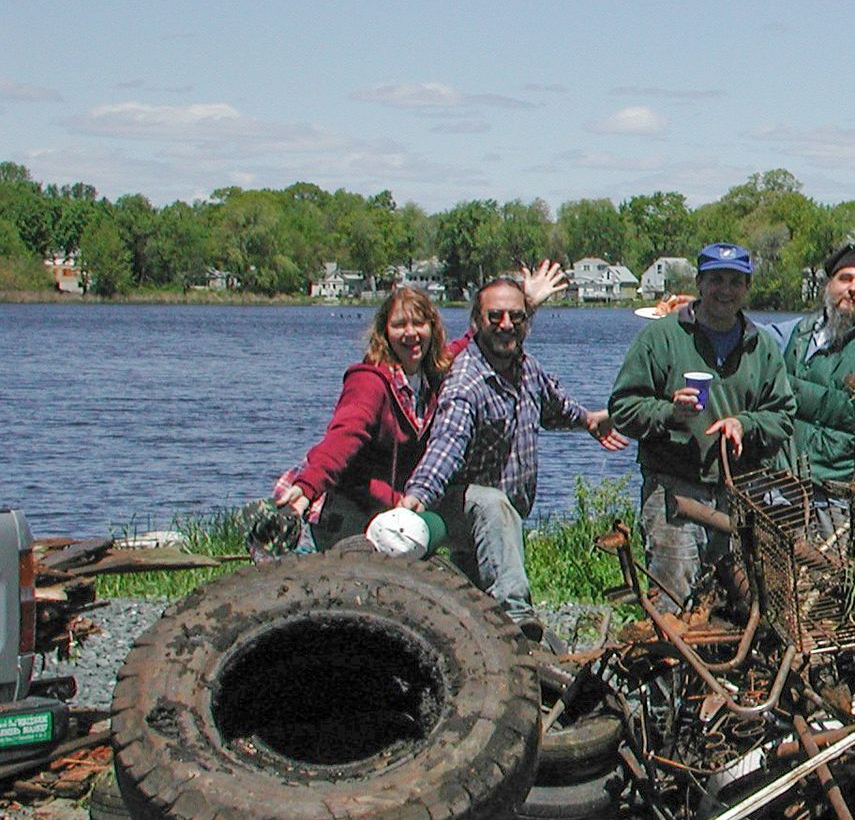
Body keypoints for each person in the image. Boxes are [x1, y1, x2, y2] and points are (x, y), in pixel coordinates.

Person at [402, 277, 625, 637]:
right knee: (492, 504)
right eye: (495, 316)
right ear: (477, 322)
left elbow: (555, 407)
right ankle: (517, 619)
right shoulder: (466, 384)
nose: (506, 325)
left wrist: (588, 421)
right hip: (458, 510)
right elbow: (447, 444)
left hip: (498, 530)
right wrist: (419, 495)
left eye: (516, 317)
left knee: (472, 619)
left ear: (527, 321)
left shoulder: (527, 369)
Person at [608, 243, 796, 612]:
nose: (724, 290)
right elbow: (623, 409)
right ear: (699, 282)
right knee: (673, 603)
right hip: (675, 492)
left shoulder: (762, 348)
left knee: (739, 605)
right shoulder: (661, 338)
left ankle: (724, 670)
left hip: (739, 495)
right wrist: (669, 413)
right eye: (715, 280)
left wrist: (745, 424)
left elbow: (783, 415)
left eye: (734, 282)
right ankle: (668, 670)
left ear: (747, 287)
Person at [273, 285, 451, 549]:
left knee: (434, 526)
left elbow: (471, 340)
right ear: (384, 333)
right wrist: (308, 486)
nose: (411, 333)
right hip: (346, 509)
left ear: (432, 329)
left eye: (419, 323)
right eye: (399, 324)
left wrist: (525, 302)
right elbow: (343, 437)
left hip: (390, 511)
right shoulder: (369, 381)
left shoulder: (430, 378)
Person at [777, 244, 855, 497]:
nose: (853, 289)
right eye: (845, 279)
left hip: (831, 495)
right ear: (828, 286)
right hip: (776, 481)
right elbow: (743, 333)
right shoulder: (797, 331)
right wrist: (702, 309)